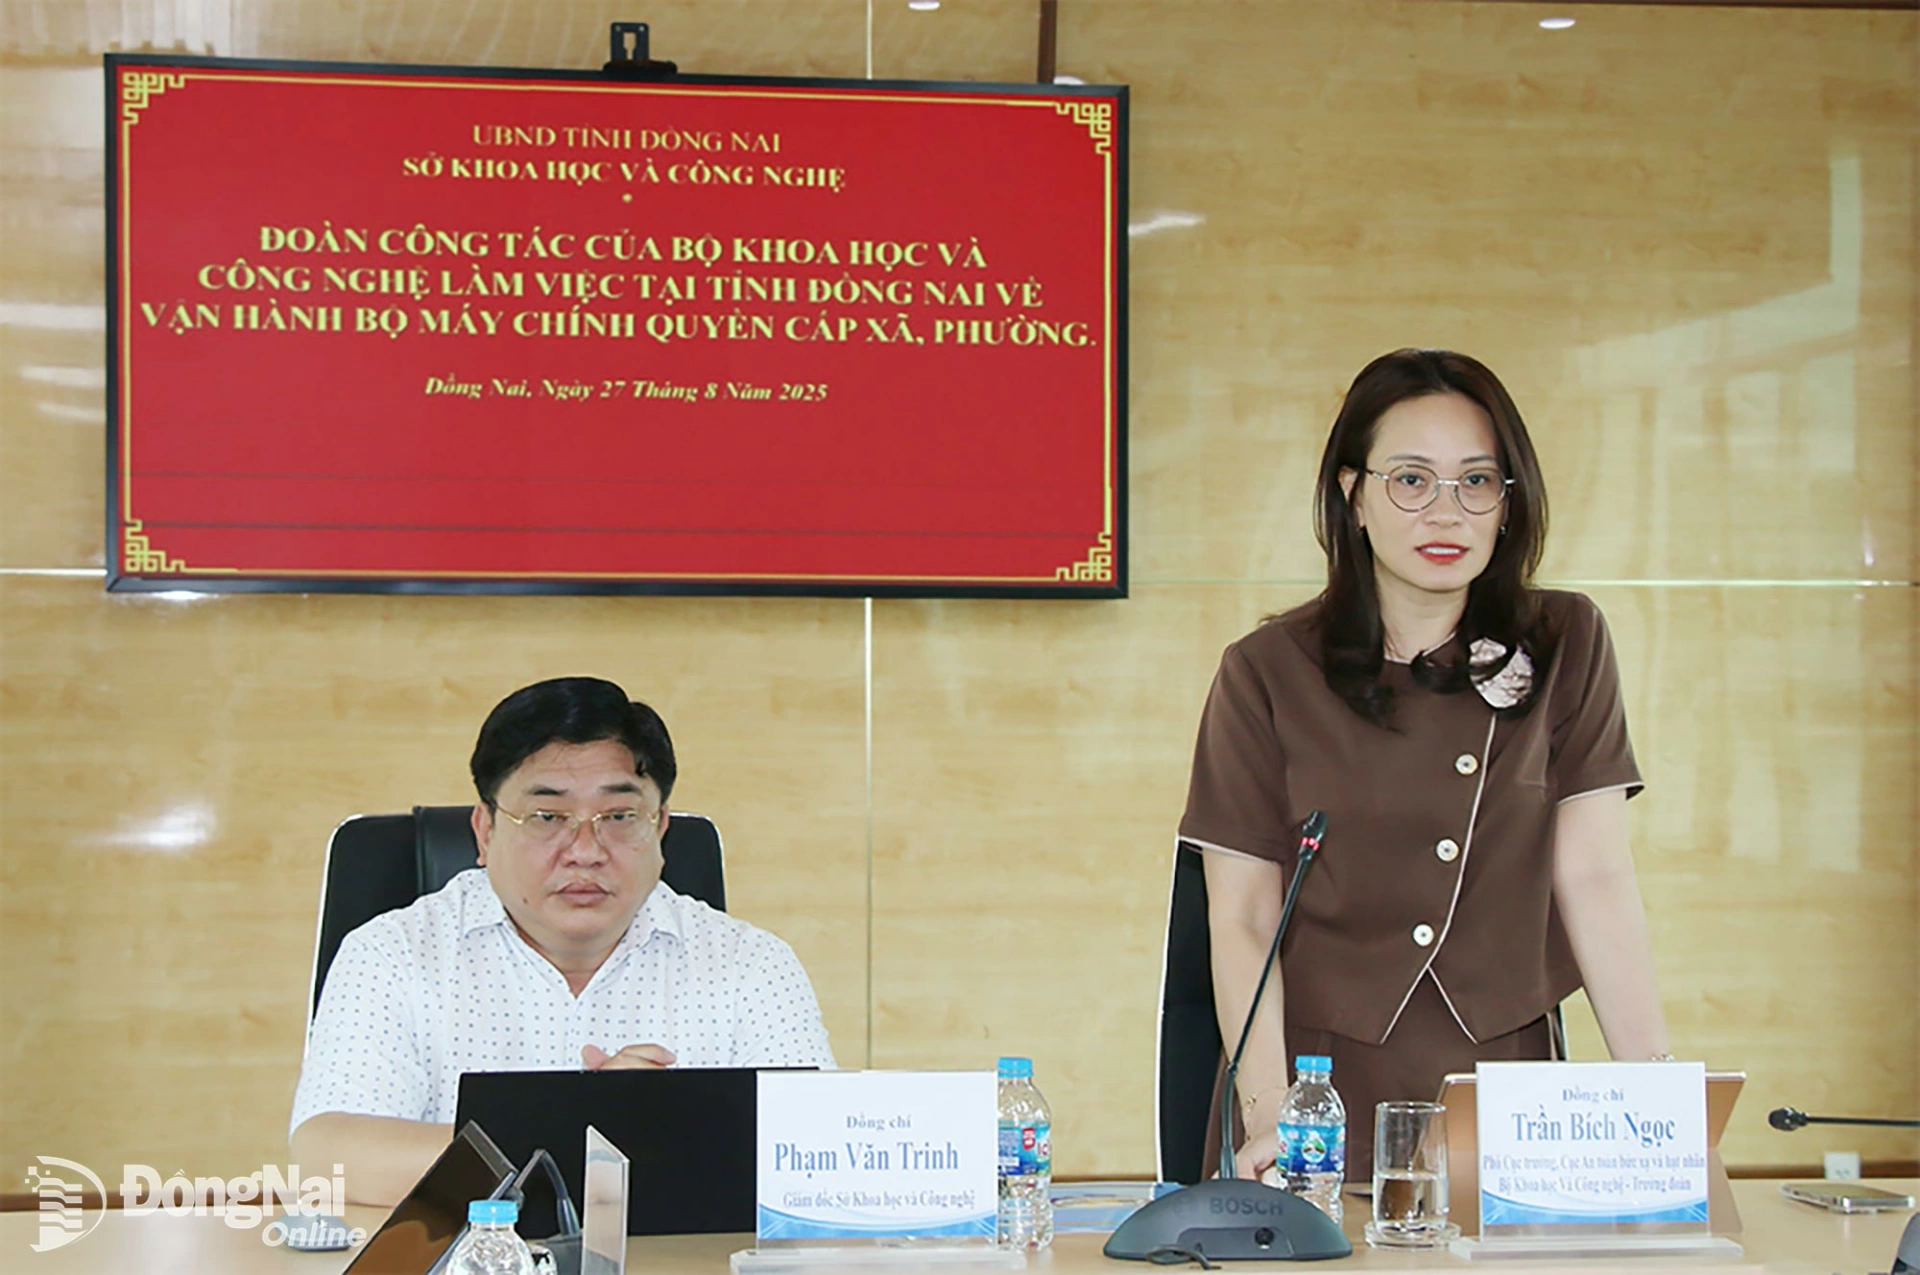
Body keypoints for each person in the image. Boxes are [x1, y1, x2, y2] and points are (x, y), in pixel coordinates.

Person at [1179, 349, 1671, 1183]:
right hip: (1315, 1086)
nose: (1447, 512)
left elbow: (1594, 875)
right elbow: (1244, 917)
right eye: (1412, 480)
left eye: (1477, 482)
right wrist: (1270, 1117)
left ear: (1508, 506)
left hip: (1505, 1085)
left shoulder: (1567, 641)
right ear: (1353, 495)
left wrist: (1660, 1107)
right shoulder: (1266, 670)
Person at [291, 677, 835, 1204]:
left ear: (659, 830)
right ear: (485, 831)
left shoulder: (752, 965)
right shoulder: (393, 954)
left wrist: (660, 1123)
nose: (585, 850)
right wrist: (580, 1133)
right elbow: (328, 1155)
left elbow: (819, 1155)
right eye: (547, 816)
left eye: (619, 816)